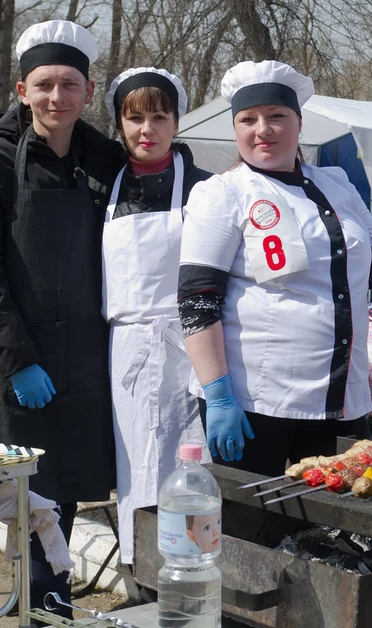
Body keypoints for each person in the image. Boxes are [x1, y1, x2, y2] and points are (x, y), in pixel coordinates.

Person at [0, 20, 124, 620]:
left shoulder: (104, 160)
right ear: (22, 90)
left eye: (69, 85)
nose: (57, 98)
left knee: (65, 489)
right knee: (25, 494)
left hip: (86, 360)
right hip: (17, 359)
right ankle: (44, 608)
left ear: (88, 91)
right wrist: (18, 359)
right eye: (44, 84)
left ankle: (48, 602)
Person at [177, 60, 372, 477]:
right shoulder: (221, 193)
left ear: (299, 123)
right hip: (257, 402)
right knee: (260, 529)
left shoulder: (338, 184)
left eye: (277, 117)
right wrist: (217, 394)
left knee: (340, 527)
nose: (263, 129)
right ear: (235, 128)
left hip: (341, 398)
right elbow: (197, 301)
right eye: (248, 119)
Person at [100, 67, 211, 565]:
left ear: (176, 122)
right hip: (125, 349)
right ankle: (140, 567)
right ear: (120, 123)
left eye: (159, 117)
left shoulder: (204, 190)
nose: (148, 129)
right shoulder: (102, 185)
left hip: (188, 346)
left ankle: (190, 565)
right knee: (135, 464)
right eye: (135, 117)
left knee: (187, 463)